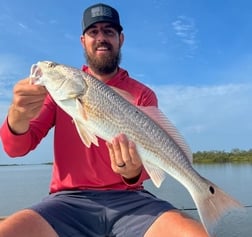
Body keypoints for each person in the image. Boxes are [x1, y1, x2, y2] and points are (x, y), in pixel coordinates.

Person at [0, 3, 208, 237]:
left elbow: (151, 162)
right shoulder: (54, 95)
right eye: (93, 32)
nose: (101, 37)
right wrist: (17, 116)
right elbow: (15, 149)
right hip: (68, 202)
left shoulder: (142, 94)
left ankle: (203, 192)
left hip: (132, 202)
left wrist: (131, 173)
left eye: (109, 31)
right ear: (83, 40)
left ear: (121, 39)